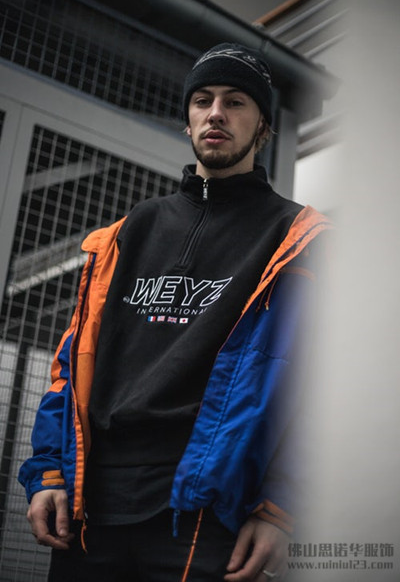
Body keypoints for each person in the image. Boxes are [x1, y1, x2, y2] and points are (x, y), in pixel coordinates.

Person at [19, 43, 330, 581]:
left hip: (206, 512)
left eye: (235, 101)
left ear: (262, 126)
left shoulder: (298, 238)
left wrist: (281, 506)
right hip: (92, 503)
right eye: (203, 100)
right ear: (187, 120)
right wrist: (49, 471)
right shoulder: (129, 231)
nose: (216, 113)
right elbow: (71, 366)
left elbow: (324, 384)